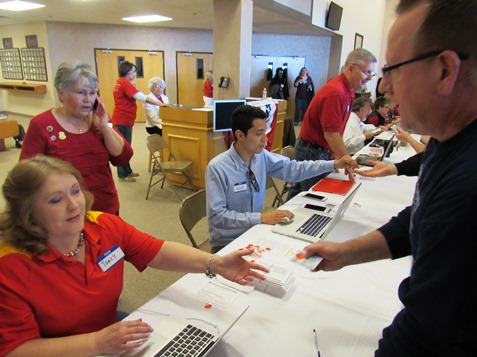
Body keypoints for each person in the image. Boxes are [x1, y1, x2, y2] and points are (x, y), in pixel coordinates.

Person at [304, 0, 477, 354]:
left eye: (393, 69)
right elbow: (419, 217)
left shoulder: (468, 188)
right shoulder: (449, 140)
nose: (385, 88)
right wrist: (346, 252)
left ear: (444, 71)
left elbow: (425, 331)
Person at [0, 155, 268, 357]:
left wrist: (215, 263)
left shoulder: (102, 225)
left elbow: (158, 251)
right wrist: (95, 343)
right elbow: (16, 349)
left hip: (107, 329)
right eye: (55, 200)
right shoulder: (11, 265)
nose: (74, 205)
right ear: (28, 212)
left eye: (75, 191)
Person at [206, 105, 357, 253]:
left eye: (265, 132)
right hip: (228, 243)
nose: (265, 139)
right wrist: (261, 218)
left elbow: (294, 169)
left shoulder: (261, 156)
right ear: (240, 135)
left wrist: (333, 164)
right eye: (258, 134)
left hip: (254, 232)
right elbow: (217, 217)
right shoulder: (218, 168)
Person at [20, 60, 133, 215]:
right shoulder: (41, 125)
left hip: (105, 206)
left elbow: (123, 157)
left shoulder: (98, 119)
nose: (88, 100)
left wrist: (104, 127)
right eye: (81, 93)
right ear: (62, 93)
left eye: (93, 93)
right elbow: (26, 176)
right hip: (66, 212)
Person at [287, 48, 377, 200]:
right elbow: (331, 134)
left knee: (299, 193)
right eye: (367, 72)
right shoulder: (336, 92)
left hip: (318, 148)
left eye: (371, 73)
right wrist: (347, 160)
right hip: (312, 150)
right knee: (309, 197)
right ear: (351, 68)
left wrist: (337, 155)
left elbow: (337, 128)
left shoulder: (349, 90)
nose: (369, 77)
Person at [111, 61, 168, 183]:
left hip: (125, 119)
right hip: (123, 120)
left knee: (126, 146)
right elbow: (142, 97)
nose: (135, 74)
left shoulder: (120, 82)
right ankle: (122, 174)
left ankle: (128, 171)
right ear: (127, 72)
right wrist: (160, 104)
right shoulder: (124, 83)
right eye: (133, 71)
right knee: (122, 148)